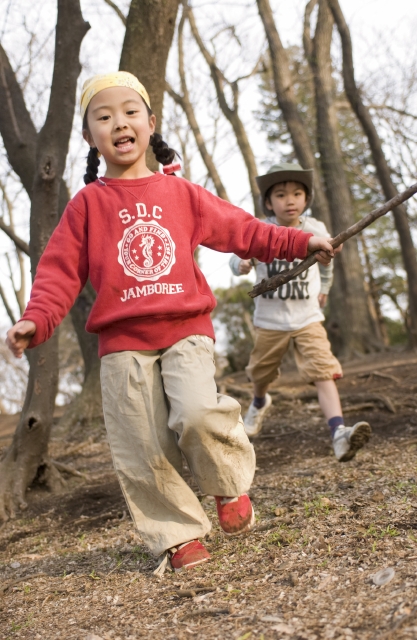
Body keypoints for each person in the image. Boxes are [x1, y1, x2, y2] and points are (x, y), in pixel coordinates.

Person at [6, 74, 337, 572]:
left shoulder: (181, 193)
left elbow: (241, 230)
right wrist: (36, 321)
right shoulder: (87, 206)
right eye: (104, 116)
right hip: (122, 343)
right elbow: (56, 273)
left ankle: (228, 485)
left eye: (130, 111)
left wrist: (298, 242)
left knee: (199, 414)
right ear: (89, 135)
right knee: (143, 445)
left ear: (150, 123)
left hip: (185, 329)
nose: (119, 121)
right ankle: (177, 535)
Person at [230, 163, 371, 462]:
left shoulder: (315, 229)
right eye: (280, 195)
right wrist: (240, 264)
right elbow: (236, 256)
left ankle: (339, 434)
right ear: (269, 202)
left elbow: (327, 263)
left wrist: (326, 289)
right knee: (260, 372)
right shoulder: (262, 229)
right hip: (270, 320)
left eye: (297, 193)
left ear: (306, 199)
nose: (290, 200)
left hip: (307, 318)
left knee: (323, 372)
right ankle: (259, 401)